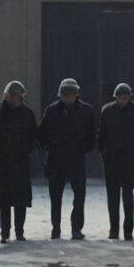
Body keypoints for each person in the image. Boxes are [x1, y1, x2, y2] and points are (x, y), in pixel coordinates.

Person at [38, 77, 96, 238]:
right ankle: (55, 228)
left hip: (76, 160)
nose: (68, 97)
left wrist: (82, 149)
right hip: (56, 161)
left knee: (79, 197)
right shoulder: (52, 110)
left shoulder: (86, 111)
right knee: (55, 198)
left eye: (71, 94)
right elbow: (42, 133)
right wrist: (50, 147)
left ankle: (76, 228)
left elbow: (92, 135)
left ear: (76, 94)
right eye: (65, 94)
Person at [0, 80, 38, 241]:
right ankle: (4, 232)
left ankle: (20, 231)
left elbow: (34, 136)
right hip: (2, 162)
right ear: (7, 96)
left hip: (20, 162)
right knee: (4, 201)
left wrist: (25, 150)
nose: (16, 100)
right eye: (14, 97)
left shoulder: (27, 114)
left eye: (19, 97)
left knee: (20, 200)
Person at [97, 82, 134, 239]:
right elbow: (101, 134)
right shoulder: (107, 111)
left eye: (125, 98)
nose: (122, 101)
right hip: (111, 158)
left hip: (127, 158)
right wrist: (104, 152)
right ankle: (114, 228)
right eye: (120, 98)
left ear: (129, 97)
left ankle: (128, 230)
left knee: (127, 195)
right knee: (112, 196)